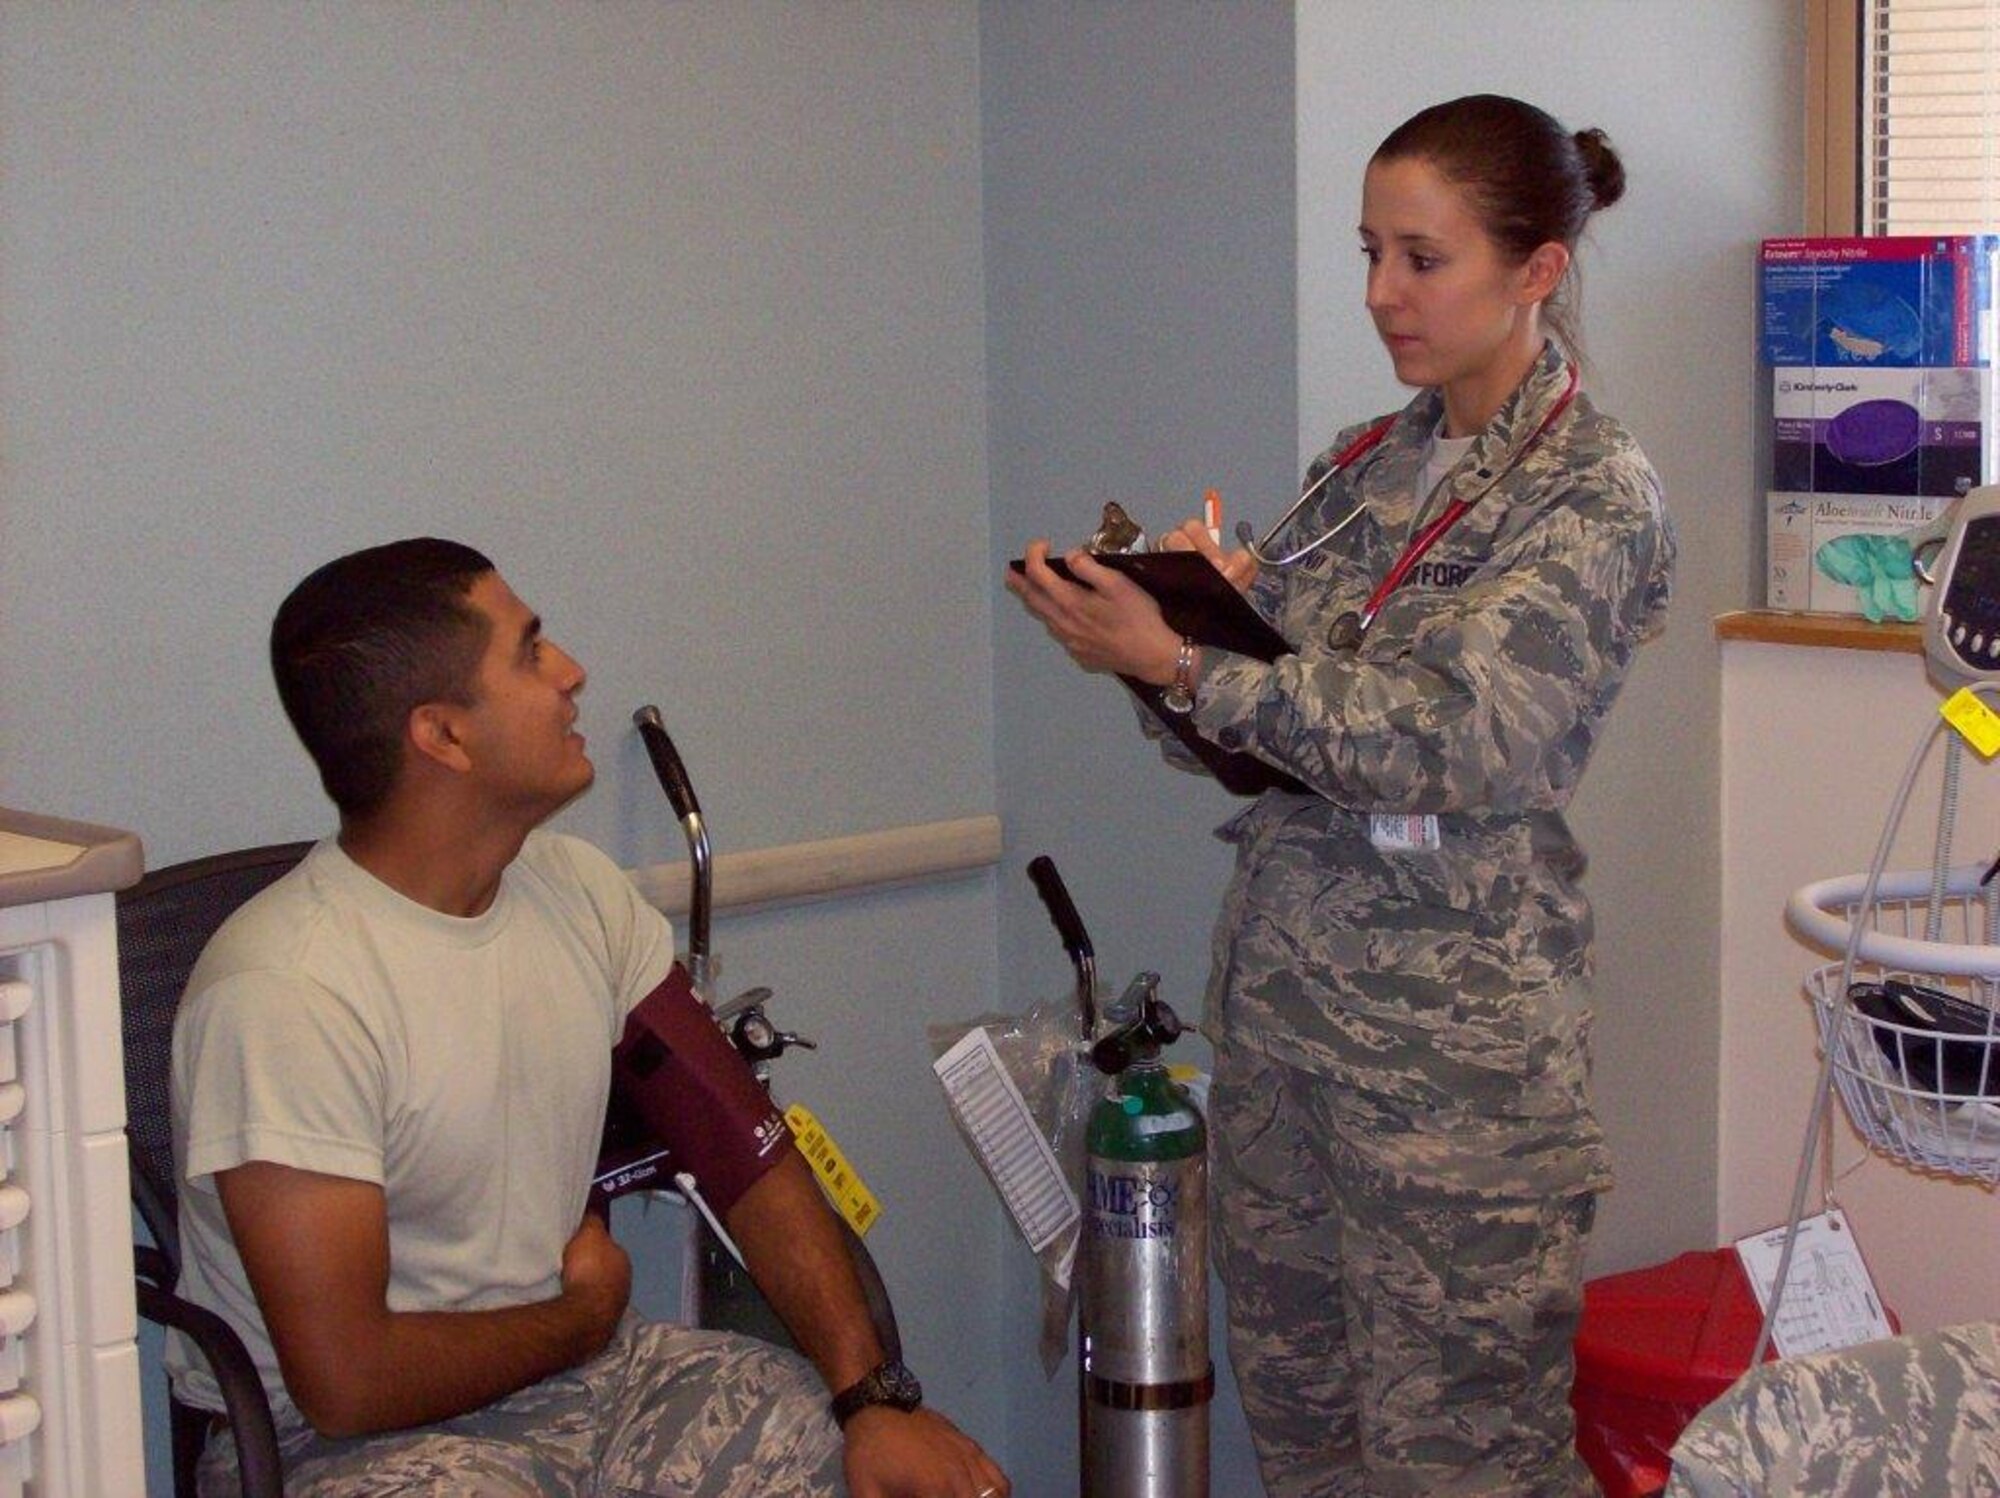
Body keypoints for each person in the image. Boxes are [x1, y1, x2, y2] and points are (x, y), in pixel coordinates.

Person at [1007, 94, 1674, 1496]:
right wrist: (1177, 640)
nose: (1382, 293)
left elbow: (1452, 739)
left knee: (1464, 1465)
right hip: (1289, 1051)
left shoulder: (1594, 494)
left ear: (1536, 268)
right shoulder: (1368, 466)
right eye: (1371, 250)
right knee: (1312, 1448)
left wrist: (1194, 660)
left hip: (1454, 1095)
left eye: (1421, 258)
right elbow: (1264, 746)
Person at [170, 537, 1009, 1498]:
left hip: (587, 1381)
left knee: (834, 1449)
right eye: (530, 652)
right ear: (442, 736)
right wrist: (583, 1314)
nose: (572, 674)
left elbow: (746, 1151)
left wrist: (873, 1402)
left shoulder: (576, 893)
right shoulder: (286, 992)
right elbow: (347, 1385)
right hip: (340, 1446)